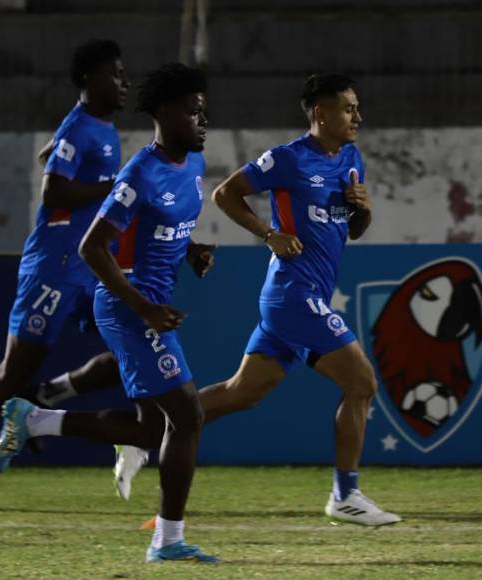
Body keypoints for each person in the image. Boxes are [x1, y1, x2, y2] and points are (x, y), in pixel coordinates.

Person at [119, 72, 401, 527]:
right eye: (348, 108)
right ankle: (345, 495)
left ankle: (143, 433)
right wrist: (269, 234)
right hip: (294, 294)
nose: (357, 117)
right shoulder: (289, 159)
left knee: (240, 393)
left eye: (357, 108)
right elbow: (225, 193)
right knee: (361, 383)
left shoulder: (350, 159)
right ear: (319, 113)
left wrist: (362, 211)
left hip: (302, 297)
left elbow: (351, 229)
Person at [0, 62, 219, 564]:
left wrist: (192, 249)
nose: (203, 122)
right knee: (188, 414)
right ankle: (167, 541)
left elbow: (160, 228)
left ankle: (36, 419)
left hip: (147, 305)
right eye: (193, 112)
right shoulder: (140, 171)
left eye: (205, 113)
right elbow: (95, 248)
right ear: (163, 112)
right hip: (126, 304)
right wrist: (143, 306)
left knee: (150, 431)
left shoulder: (194, 166)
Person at [0, 39, 129, 509]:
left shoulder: (99, 129)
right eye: (114, 74)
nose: (124, 82)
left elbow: (51, 157)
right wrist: (113, 188)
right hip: (54, 267)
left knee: (130, 351)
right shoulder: (79, 127)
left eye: (125, 74)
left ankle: (44, 395)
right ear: (88, 80)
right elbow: (53, 193)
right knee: (11, 371)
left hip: (88, 265)